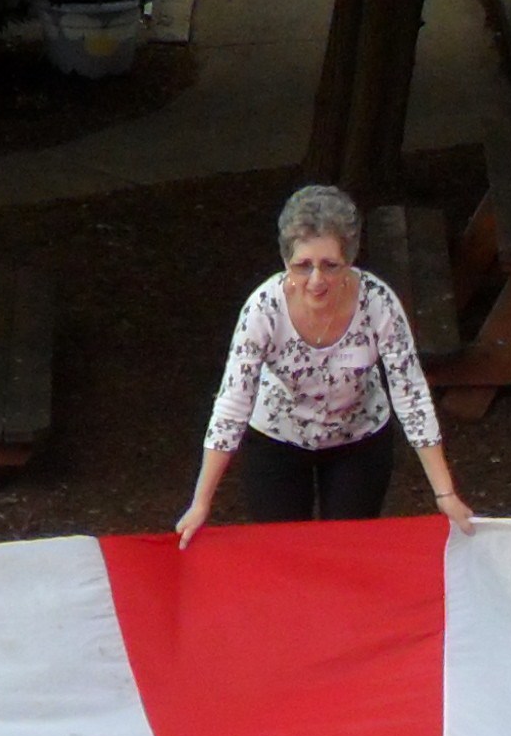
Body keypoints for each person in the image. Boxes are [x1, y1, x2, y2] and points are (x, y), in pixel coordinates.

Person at [175, 185, 471, 538]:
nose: (316, 280)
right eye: (302, 266)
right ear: (285, 261)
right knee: (284, 551)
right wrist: (201, 502)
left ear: (350, 260)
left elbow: (410, 394)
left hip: (359, 439)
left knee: (347, 549)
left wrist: (444, 492)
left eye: (330, 266)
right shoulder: (262, 309)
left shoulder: (378, 302)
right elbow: (233, 402)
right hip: (276, 438)